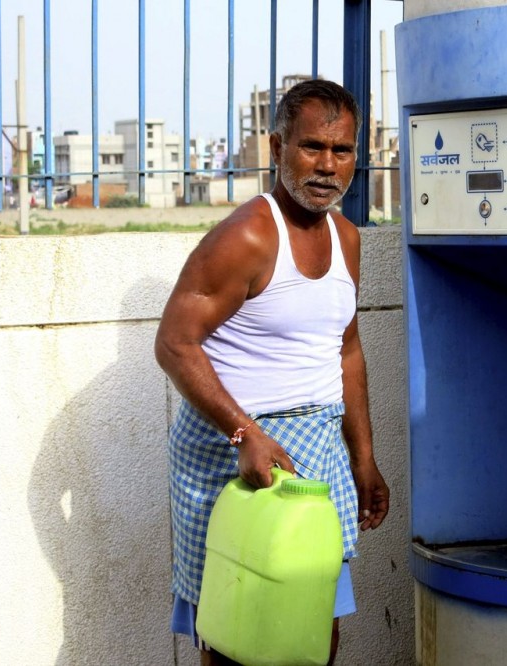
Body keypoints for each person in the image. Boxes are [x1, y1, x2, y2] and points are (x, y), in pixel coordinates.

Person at [155, 78, 389, 666]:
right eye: (312, 147)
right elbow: (175, 343)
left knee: (314, 630)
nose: (327, 167)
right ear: (277, 144)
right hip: (236, 453)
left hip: (317, 451)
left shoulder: (347, 239)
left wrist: (362, 457)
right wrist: (246, 435)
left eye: (342, 151)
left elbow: (347, 350)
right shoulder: (248, 237)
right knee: (239, 637)